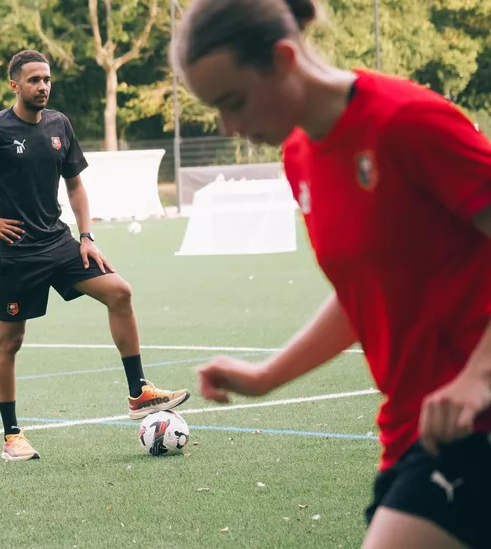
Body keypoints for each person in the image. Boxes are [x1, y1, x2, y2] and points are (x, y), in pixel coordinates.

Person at [171, 1, 491, 547]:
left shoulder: (405, 121)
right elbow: (361, 292)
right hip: (416, 428)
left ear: (283, 58)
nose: (231, 127)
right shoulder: (300, 155)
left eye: (233, 102)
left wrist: (477, 377)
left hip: (472, 421)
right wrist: (266, 375)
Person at [0, 50, 190, 462]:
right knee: (10, 340)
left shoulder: (59, 125)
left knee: (119, 291)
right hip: (14, 253)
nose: (43, 86)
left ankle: (139, 392)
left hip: (58, 243)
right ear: (15, 85)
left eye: (47, 79)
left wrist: (86, 236)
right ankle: (12, 436)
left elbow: (75, 186)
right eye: (33, 80)